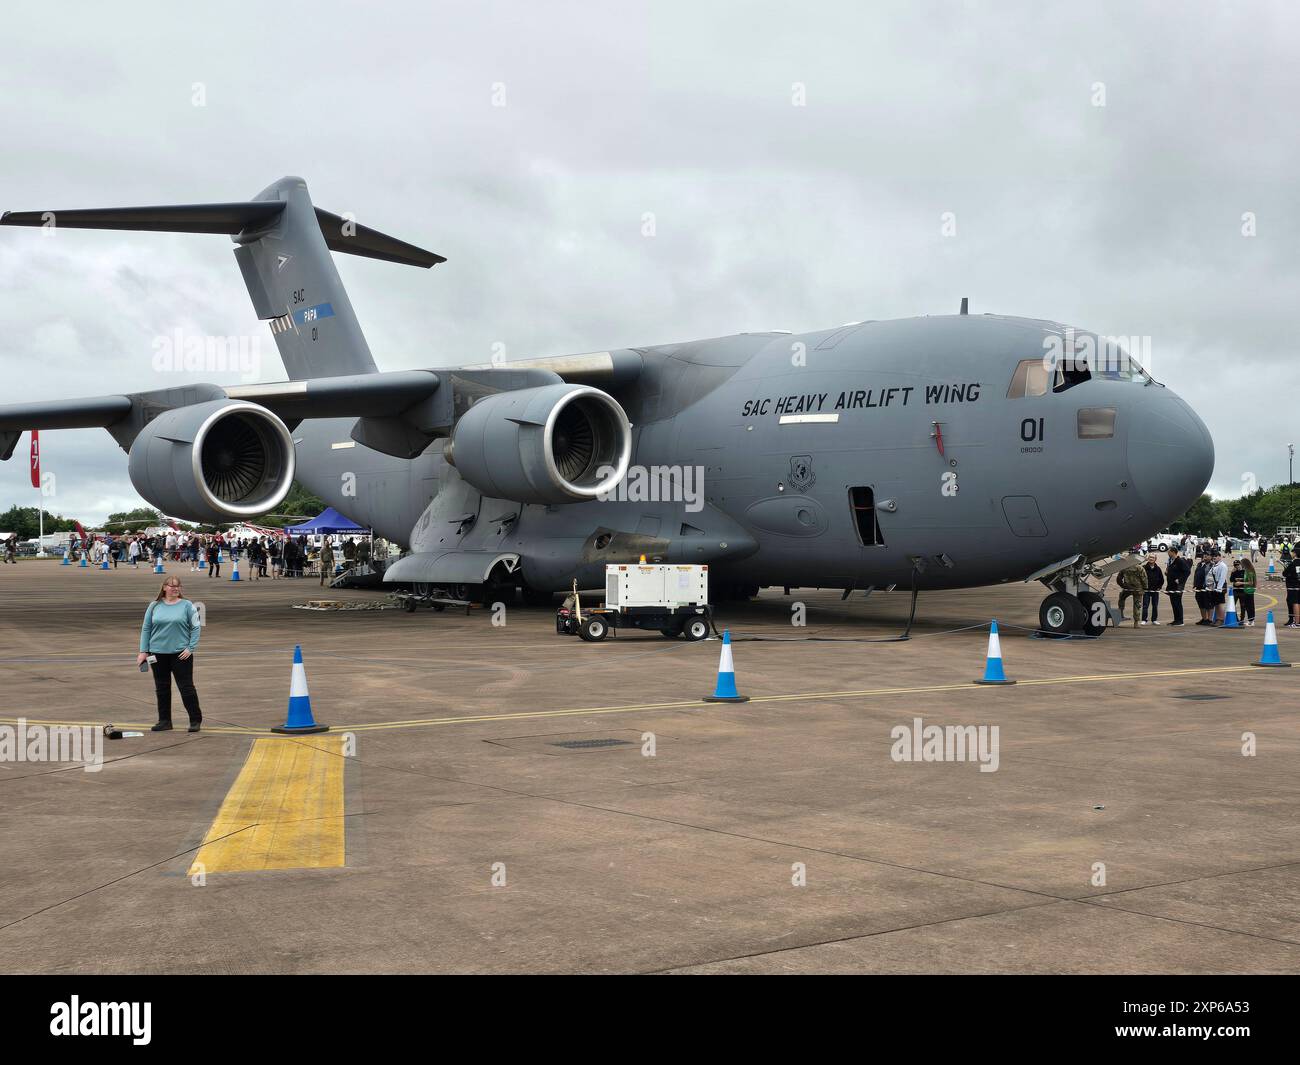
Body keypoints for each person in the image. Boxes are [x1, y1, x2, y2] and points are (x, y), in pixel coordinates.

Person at [137, 575, 202, 733]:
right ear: (164, 588)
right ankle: (164, 721)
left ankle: (195, 720)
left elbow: (196, 627)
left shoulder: (187, 605)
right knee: (162, 688)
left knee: (186, 687)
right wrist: (143, 651)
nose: (175, 588)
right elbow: (146, 629)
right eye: (171, 586)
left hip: (180, 654)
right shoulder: (154, 606)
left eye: (177, 586)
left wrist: (190, 648)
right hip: (157, 654)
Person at [1164, 544, 1190, 626]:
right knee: (1173, 603)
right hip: (1171, 586)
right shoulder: (1170, 561)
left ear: (1173, 552)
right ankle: (1176, 620)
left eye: (1169, 552)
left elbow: (1187, 571)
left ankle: (1180, 620)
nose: (1168, 553)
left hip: (1177, 586)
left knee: (1177, 603)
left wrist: (1180, 580)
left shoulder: (1180, 561)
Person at [1117, 563, 1146, 628]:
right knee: (1137, 605)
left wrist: (1123, 585)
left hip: (1127, 587)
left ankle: (1120, 614)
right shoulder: (1140, 568)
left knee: (1121, 598)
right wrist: (1144, 588)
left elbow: (1118, 579)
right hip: (1138, 588)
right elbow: (1144, 579)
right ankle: (1136, 623)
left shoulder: (1124, 567)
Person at [1231, 556, 1257, 626]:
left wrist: (1241, 583)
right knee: (1248, 606)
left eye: (1242, 563)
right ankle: (1250, 620)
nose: (1241, 565)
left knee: (1250, 606)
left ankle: (1251, 620)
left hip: (1249, 591)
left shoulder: (1249, 572)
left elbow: (1251, 582)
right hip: (1246, 590)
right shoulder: (1247, 571)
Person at [1141, 554, 1164, 625]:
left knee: (1155, 605)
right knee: (1145, 605)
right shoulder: (1143, 568)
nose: (1151, 559)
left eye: (1153, 557)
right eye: (1150, 557)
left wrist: (1159, 587)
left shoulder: (1158, 569)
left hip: (1155, 591)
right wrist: (1143, 587)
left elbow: (1161, 579)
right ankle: (1144, 619)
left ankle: (1154, 619)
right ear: (1148, 558)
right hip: (1146, 590)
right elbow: (1140, 578)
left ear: (1155, 559)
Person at [1208, 550, 1229, 626]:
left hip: (1221, 586)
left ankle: (1221, 619)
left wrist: (1219, 588)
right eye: (1213, 556)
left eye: (1216, 556)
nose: (1214, 557)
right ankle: (1217, 618)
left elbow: (1222, 578)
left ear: (1220, 557)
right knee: (1216, 603)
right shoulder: (1215, 565)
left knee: (1220, 603)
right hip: (1215, 586)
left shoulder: (1223, 566)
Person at [1285, 553, 1300, 628]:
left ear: (1295, 554)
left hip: (1293, 586)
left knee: (1295, 603)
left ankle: (1297, 622)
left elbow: (1285, 573)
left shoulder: (1293, 563)